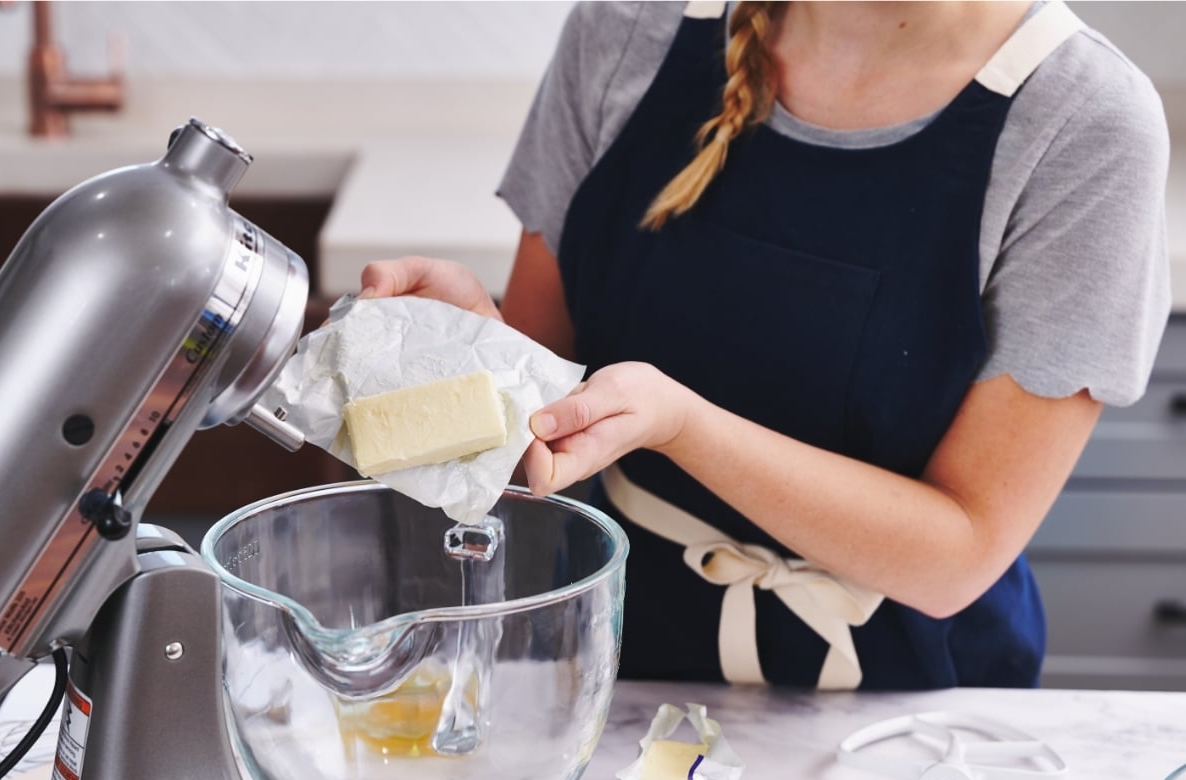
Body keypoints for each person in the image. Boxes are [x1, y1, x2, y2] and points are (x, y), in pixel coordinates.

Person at [359, 0, 1171, 690]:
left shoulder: (1084, 123)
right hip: (619, 669)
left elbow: (958, 554)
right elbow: (536, 428)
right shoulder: (629, 29)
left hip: (911, 714)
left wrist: (684, 426)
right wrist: (478, 347)